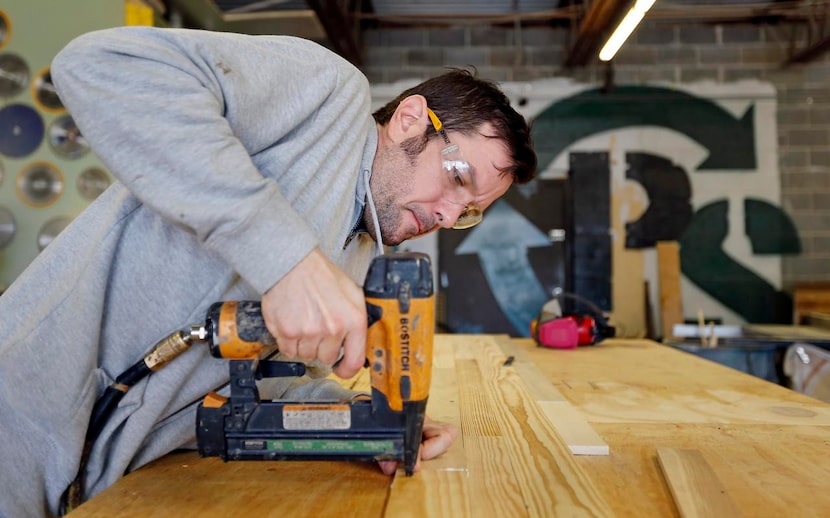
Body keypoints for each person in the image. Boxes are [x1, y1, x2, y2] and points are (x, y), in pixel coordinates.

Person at [0, 25, 536, 517]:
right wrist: (288, 262)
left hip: (105, 480)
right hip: (20, 415)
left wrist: (362, 424)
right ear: (410, 119)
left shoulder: (358, 257)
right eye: (458, 176)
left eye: (468, 213)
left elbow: (267, 386)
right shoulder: (328, 98)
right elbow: (102, 63)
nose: (446, 215)